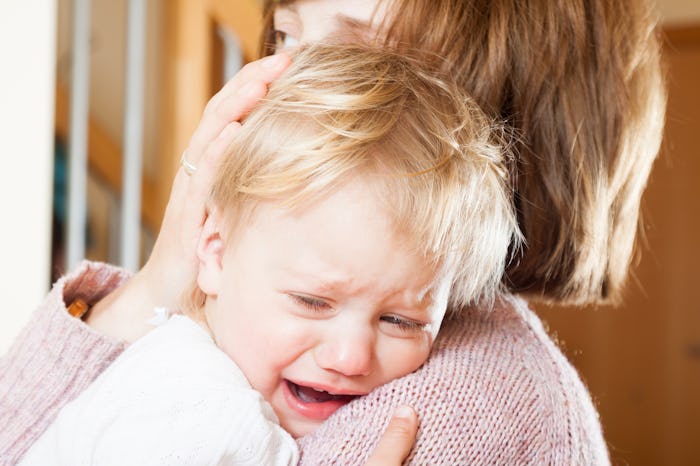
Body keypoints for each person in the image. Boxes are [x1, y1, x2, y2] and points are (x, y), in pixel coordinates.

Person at [0, 0, 665, 464]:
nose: (279, 89)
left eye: (353, 50)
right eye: (287, 38)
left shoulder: (458, 403)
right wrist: (158, 282)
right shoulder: (214, 351)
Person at [17, 43, 518, 465]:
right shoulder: (203, 419)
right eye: (312, 301)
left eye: (402, 321)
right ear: (213, 252)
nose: (351, 356)